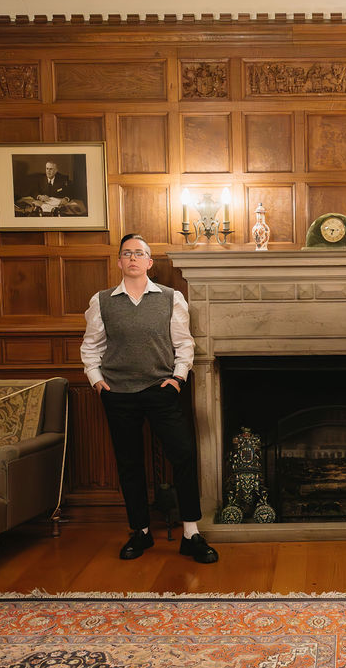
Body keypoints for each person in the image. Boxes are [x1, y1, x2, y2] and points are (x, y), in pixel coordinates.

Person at [80, 233, 219, 564]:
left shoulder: (171, 298)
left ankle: (190, 533)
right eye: (126, 253)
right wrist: (97, 381)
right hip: (118, 393)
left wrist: (177, 379)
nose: (132, 258)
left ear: (149, 262)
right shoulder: (102, 301)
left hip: (161, 390)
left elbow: (184, 344)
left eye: (138, 254)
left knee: (183, 455)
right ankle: (140, 532)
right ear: (118, 261)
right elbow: (91, 346)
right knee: (129, 463)